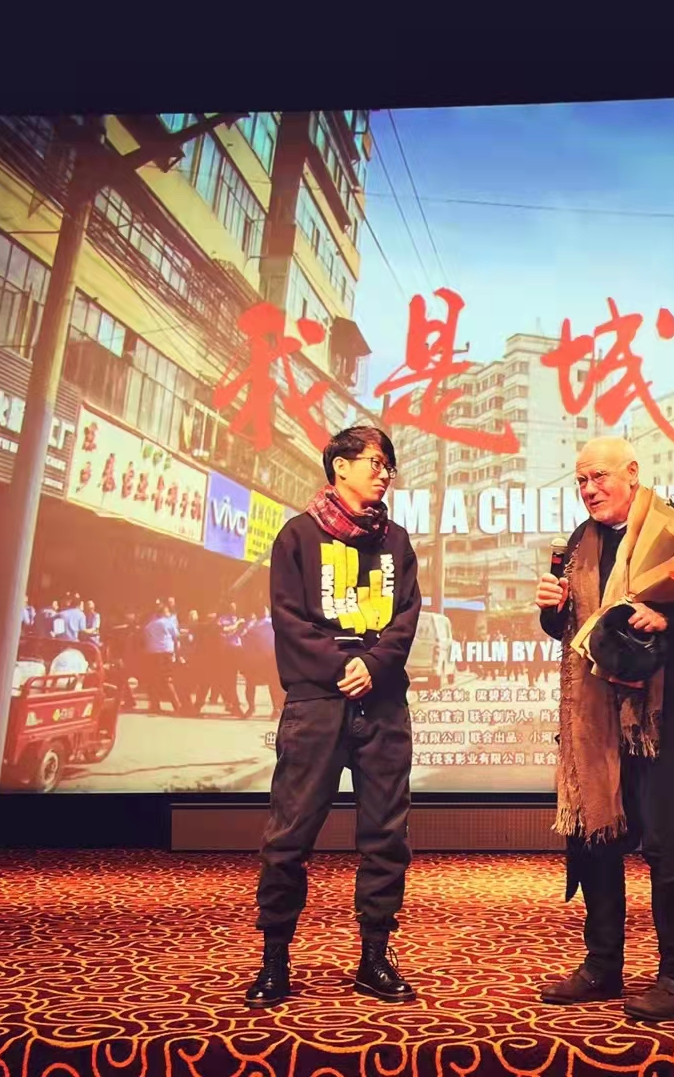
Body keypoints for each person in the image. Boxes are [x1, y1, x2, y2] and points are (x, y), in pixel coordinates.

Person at [534, 436, 674, 1023]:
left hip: (663, 721)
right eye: (580, 480)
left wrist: (666, 616)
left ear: (631, 472)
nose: (589, 489)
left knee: (668, 849)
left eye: (599, 476)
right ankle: (602, 966)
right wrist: (550, 607)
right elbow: (573, 630)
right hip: (596, 721)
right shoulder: (580, 542)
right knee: (597, 841)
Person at [247, 426, 421, 1009]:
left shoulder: (396, 541)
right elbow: (289, 619)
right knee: (289, 835)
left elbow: (406, 617)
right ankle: (274, 960)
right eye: (374, 462)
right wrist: (344, 666)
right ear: (339, 466)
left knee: (386, 836)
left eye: (388, 465)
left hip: (383, 704)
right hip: (316, 704)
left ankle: (374, 958)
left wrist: (373, 665)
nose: (383, 473)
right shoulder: (297, 536)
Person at [139, 601, 182, 713]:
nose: (169, 613)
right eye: (167, 611)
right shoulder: (168, 623)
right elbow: (176, 636)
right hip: (165, 652)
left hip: (152, 652)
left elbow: (144, 637)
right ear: (163, 612)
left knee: (153, 679)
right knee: (167, 679)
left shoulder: (149, 625)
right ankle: (177, 705)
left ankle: (154, 705)